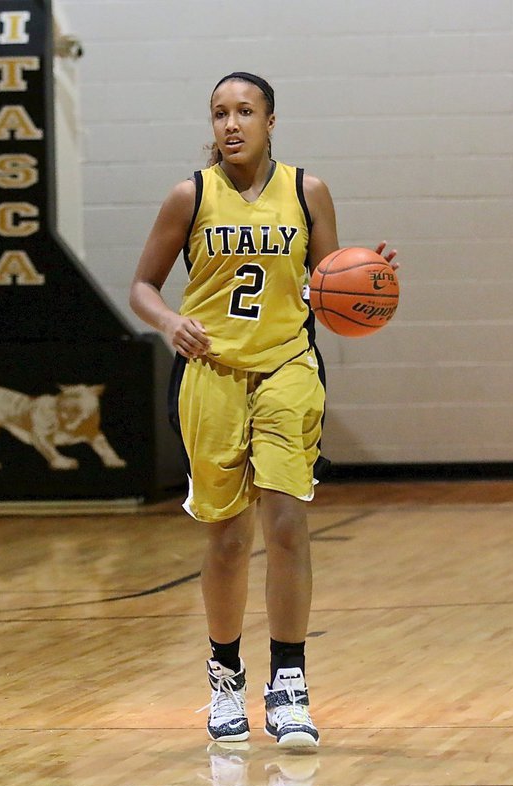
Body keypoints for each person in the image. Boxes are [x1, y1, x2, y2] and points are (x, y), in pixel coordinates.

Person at [130, 71, 399, 749]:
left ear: (269, 121)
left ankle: (289, 684)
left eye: (244, 111)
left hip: (286, 368)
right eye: (219, 112)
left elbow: (328, 283)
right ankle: (224, 675)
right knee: (225, 538)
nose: (230, 123)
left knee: (284, 524)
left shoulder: (307, 191)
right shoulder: (189, 196)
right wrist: (169, 322)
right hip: (212, 374)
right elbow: (141, 286)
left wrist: (366, 279)